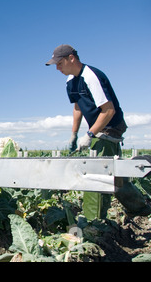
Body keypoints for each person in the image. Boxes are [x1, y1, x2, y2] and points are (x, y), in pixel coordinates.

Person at [46, 44, 150, 217]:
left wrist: (90, 135)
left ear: (71, 58)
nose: (57, 68)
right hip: (98, 129)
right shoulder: (70, 80)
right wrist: (73, 134)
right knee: (115, 174)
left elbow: (108, 111)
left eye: (60, 63)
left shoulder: (91, 76)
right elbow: (78, 107)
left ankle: (94, 221)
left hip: (110, 128)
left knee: (97, 173)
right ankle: (140, 208)